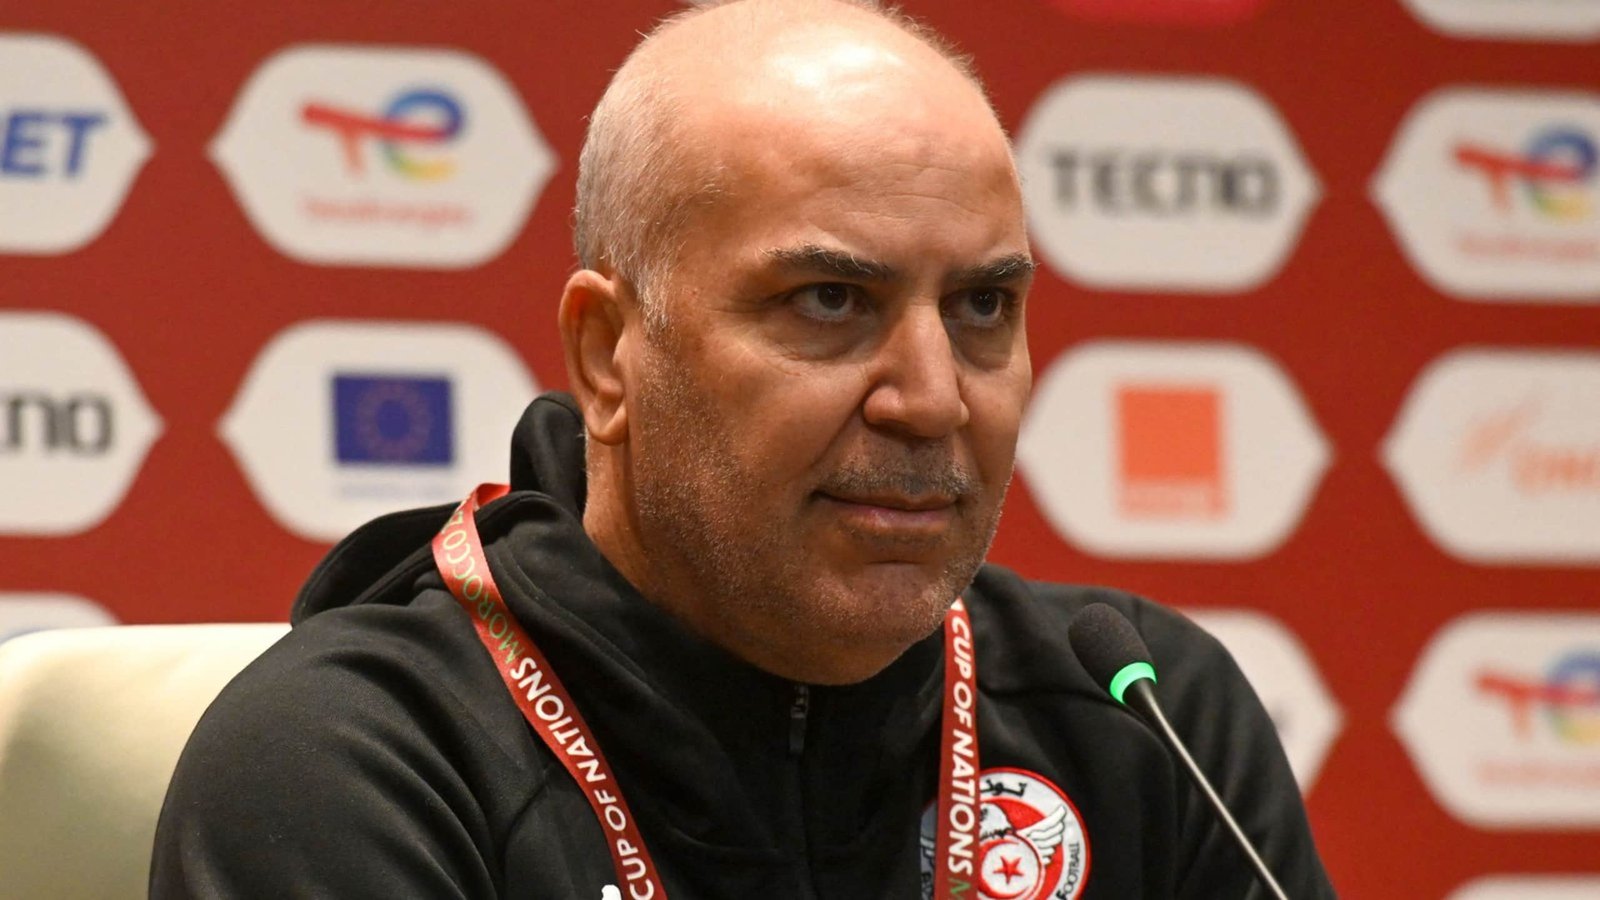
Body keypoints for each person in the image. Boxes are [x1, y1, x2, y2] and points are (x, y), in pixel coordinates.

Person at [152, 1, 1337, 897]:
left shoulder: (1141, 719)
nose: (931, 399)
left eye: (982, 309)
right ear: (611, 353)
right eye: (829, 301)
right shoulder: (363, 760)